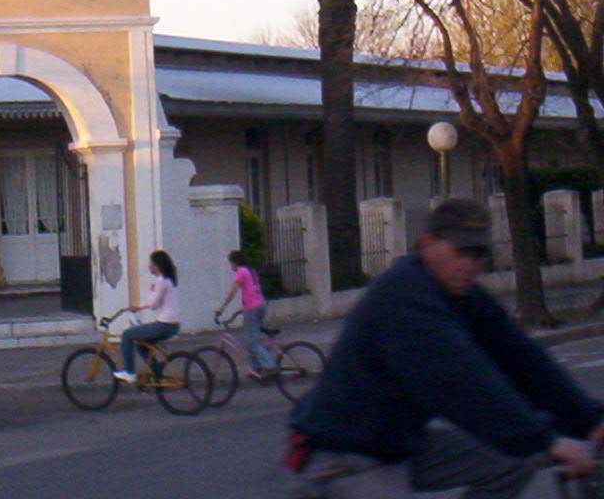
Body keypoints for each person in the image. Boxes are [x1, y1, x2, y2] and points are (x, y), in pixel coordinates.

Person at [285, 197, 604, 498]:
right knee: (523, 444)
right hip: (345, 454)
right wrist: (546, 439)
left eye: (478, 253)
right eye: (460, 250)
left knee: (512, 461)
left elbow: (524, 361)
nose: (469, 263)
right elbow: (463, 383)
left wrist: (589, 419)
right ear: (427, 245)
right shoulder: (404, 299)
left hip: (398, 443)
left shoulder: (464, 298)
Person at [113, 249, 180, 383]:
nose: (149, 267)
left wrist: (137, 307)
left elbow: (154, 304)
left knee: (127, 335)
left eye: (151, 264)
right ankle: (157, 373)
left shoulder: (161, 281)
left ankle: (129, 372)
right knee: (141, 344)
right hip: (171, 325)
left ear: (157, 265)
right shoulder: (169, 279)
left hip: (164, 325)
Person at [215, 249, 276, 380]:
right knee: (252, 339)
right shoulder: (251, 271)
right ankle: (256, 368)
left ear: (234, 262)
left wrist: (221, 308)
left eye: (230, 263)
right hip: (260, 305)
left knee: (251, 342)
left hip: (253, 308)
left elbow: (233, 291)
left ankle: (270, 366)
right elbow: (252, 291)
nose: (230, 266)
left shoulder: (241, 272)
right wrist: (241, 308)